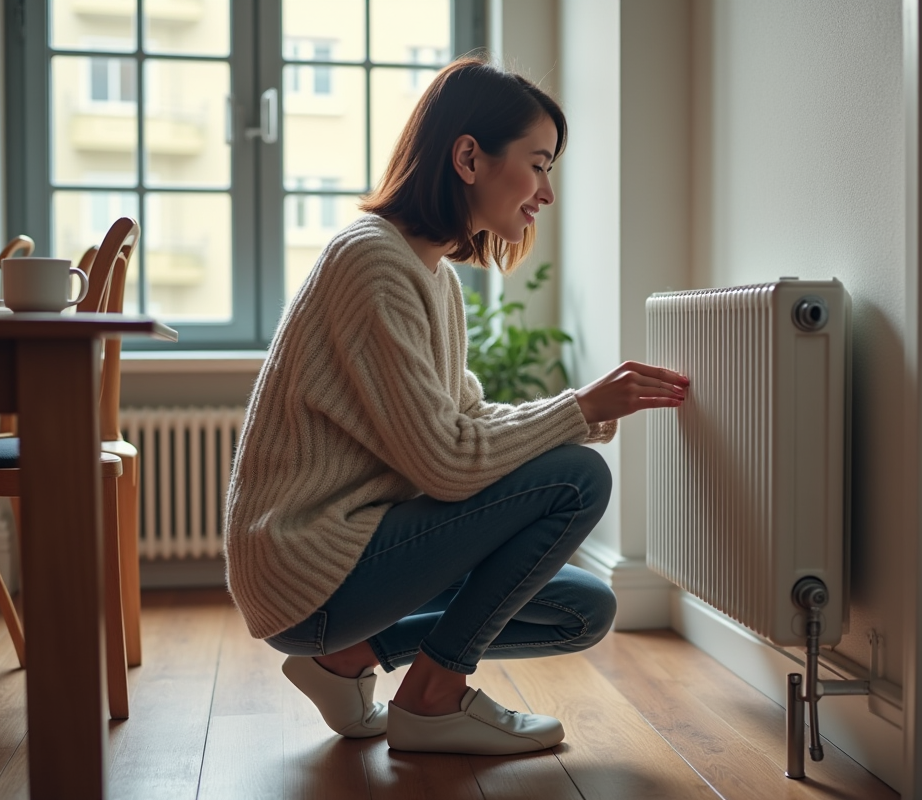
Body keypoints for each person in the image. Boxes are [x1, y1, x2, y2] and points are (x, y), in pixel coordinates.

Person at [223, 54, 690, 756]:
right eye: (538, 164)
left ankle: (345, 662)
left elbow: (462, 420)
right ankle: (433, 700)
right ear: (469, 156)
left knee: (582, 608)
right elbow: (447, 463)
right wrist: (574, 409)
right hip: (309, 566)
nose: (545, 193)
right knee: (577, 479)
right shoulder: (371, 261)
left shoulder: (429, 274)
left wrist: (585, 409)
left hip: (351, 560)